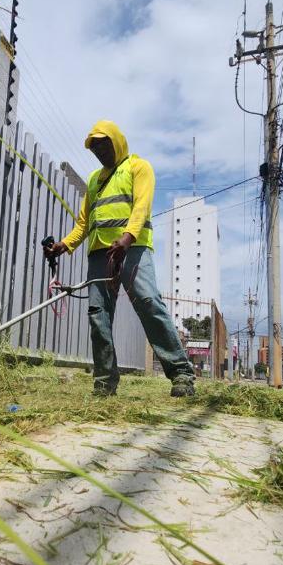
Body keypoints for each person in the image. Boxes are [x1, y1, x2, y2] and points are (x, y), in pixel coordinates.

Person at [44, 120, 196, 397]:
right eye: (95, 147)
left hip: (133, 249)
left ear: (117, 141)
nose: (100, 150)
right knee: (97, 316)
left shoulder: (139, 167)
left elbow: (141, 207)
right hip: (100, 255)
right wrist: (63, 246)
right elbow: (83, 224)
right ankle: (104, 381)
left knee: (149, 304)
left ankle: (182, 374)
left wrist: (127, 238)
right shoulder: (93, 180)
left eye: (104, 144)